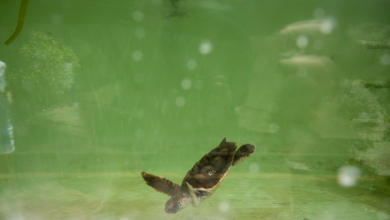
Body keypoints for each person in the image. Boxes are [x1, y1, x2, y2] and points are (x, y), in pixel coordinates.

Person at [0, 61, 14, 154]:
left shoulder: (3, 65)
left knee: (3, 124)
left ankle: (5, 151)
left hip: (1, 98)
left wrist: (9, 97)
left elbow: (7, 81)